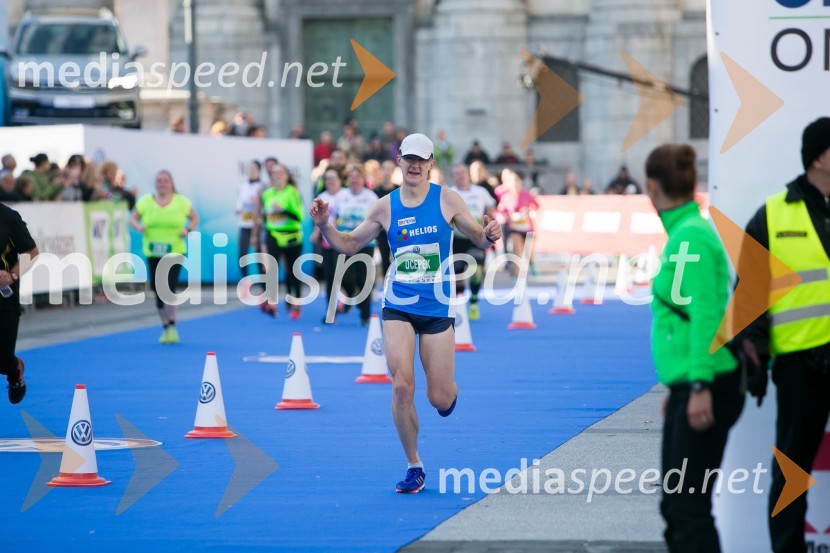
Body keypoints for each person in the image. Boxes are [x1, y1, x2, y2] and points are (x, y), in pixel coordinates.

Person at [309, 133, 502, 493]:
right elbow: (349, 244)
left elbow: (478, 237)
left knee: (439, 398)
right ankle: (414, 464)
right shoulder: (385, 206)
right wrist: (324, 225)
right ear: (399, 162)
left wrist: (491, 233)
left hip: (436, 308)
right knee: (401, 386)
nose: (414, 165)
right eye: (408, 158)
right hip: (397, 304)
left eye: (421, 159)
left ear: (431, 165)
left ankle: (447, 394)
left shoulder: (447, 200)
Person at [736, 117, 830, 553]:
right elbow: (750, 297)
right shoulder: (773, 215)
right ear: (819, 157)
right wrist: (752, 352)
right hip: (800, 369)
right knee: (791, 474)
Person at [645, 144, 744, 553]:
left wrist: (699, 384)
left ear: (652, 187)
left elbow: (707, 316)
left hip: (708, 383)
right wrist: (681, 385)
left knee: (688, 508)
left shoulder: (692, 237)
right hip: (691, 382)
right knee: (676, 504)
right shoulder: (686, 233)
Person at [129, 170, 199, 344]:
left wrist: (188, 230)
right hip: (153, 251)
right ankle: (165, 326)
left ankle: (173, 325)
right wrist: (138, 227)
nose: (162, 183)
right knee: (157, 288)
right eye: (159, 181)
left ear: (171, 183)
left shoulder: (181, 202)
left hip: (175, 249)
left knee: (169, 287)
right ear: (155, 183)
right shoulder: (146, 201)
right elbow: (133, 219)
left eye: (165, 181)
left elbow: (194, 218)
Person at [0, 202, 38, 404]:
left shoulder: (8, 217)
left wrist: (12, 275)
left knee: (3, 359)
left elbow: (31, 253)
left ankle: (15, 370)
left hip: (4, 297)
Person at [449, 163, 496, 320]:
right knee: (458, 274)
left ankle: (474, 302)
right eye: (456, 174)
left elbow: (491, 209)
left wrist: (490, 224)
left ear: (468, 174)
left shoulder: (481, 192)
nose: (460, 176)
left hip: (476, 237)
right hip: (456, 239)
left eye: (462, 173)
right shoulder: (449, 193)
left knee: (476, 268)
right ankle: (461, 304)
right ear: (453, 176)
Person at [334, 164, 379, 326]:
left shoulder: (371, 197)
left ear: (363, 179)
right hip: (345, 241)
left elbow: (377, 219)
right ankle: (352, 295)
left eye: (357, 176)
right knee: (346, 277)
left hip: (366, 242)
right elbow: (333, 216)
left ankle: (365, 316)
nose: (354, 179)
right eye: (351, 177)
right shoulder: (341, 196)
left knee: (364, 279)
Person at [260, 163, 305, 319]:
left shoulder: (292, 192)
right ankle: (272, 302)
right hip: (273, 233)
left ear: (287, 175)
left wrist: (283, 210)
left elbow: (300, 216)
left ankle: (296, 303)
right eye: (274, 173)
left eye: (280, 172)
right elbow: (265, 215)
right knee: (272, 267)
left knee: (292, 272)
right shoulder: (267, 194)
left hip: (291, 235)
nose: (277, 175)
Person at [310, 168, 346, 320]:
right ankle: (331, 312)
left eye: (333, 177)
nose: (330, 181)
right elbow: (318, 219)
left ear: (340, 179)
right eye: (327, 178)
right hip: (327, 242)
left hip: (345, 241)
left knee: (346, 277)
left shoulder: (346, 195)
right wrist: (315, 233)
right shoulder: (322, 197)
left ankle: (347, 297)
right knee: (331, 277)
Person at [497, 169, 538, 270]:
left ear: (520, 182)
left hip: (527, 227)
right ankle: (516, 272)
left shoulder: (526, 194)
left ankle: (531, 264)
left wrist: (528, 210)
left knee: (528, 251)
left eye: (517, 181)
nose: (515, 183)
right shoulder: (506, 196)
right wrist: (508, 216)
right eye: (513, 181)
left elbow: (536, 205)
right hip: (515, 227)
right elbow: (501, 210)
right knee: (516, 249)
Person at [237, 161, 265, 290]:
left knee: (260, 253)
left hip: (258, 225)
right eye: (249, 169)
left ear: (259, 170)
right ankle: (246, 281)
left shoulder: (263, 186)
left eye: (254, 169)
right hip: (245, 223)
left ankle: (263, 283)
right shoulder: (242, 185)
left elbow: (264, 206)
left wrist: (257, 203)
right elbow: (240, 202)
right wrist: (239, 208)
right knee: (242, 253)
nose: (251, 171)